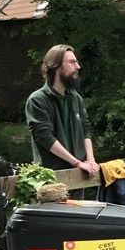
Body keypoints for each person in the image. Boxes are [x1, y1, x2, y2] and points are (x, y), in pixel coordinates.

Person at [25, 45, 100, 195]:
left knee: (78, 218)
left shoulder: (76, 98)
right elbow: (45, 138)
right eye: (71, 62)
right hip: (51, 181)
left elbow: (85, 131)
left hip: (78, 176)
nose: (78, 67)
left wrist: (90, 160)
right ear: (56, 66)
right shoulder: (37, 100)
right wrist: (77, 162)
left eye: (76, 62)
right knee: (57, 219)